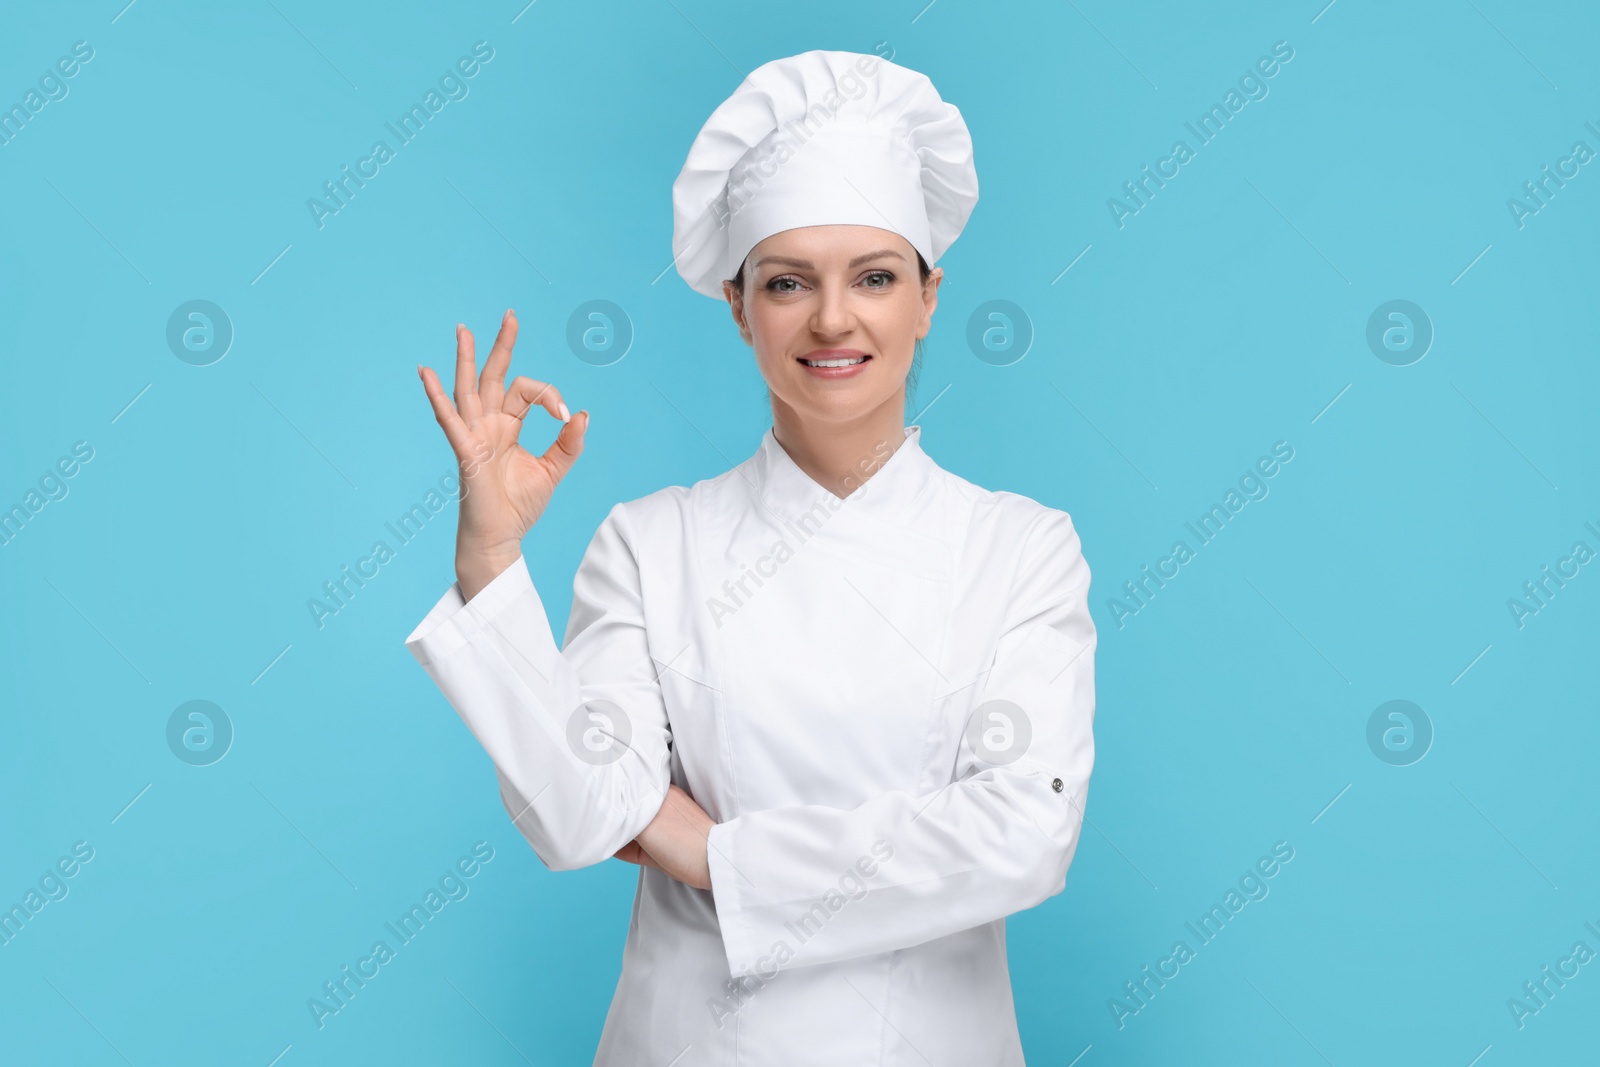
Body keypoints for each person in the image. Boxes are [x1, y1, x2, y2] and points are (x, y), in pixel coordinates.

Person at [406, 49, 1096, 1065]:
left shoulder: (1018, 547)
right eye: (786, 282)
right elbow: (579, 812)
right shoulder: (652, 542)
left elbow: (1022, 834)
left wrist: (708, 851)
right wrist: (492, 557)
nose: (831, 318)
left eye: (873, 276)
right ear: (737, 306)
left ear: (928, 298)